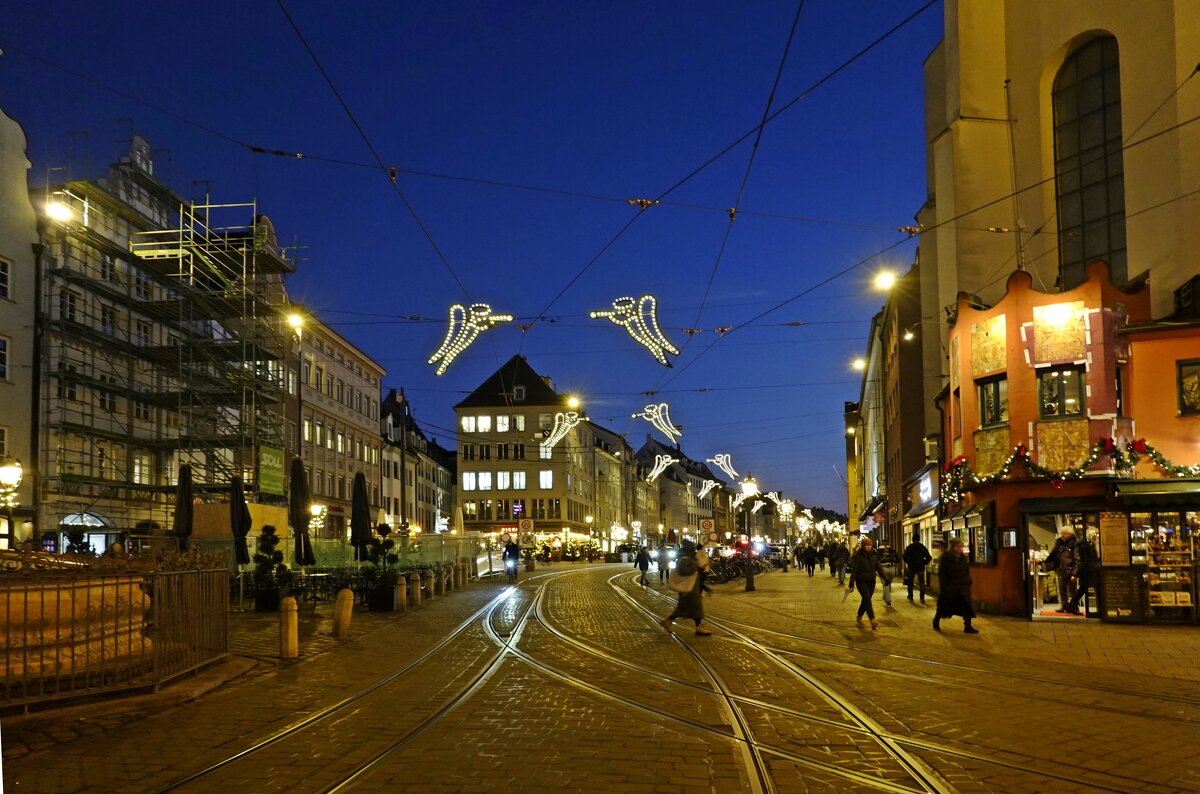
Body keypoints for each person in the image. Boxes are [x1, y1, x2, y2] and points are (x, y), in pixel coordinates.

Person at [659, 539, 712, 636]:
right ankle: (698, 627)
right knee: (694, 608)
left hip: (691, 588)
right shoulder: (685, 558)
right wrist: (697, 568)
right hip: (689, 590)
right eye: (693, 548)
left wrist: (700, 572)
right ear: (689, 549)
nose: (694, 550)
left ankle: (668, 621)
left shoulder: (688, 558)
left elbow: (693, 573)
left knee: (685, 609)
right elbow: (684, 571)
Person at [933, 538, 978, 633]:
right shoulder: (946, 557)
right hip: (951, 586)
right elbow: (942, 573)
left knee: (966, 606)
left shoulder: (962, 557)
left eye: (962, 545)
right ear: (953, 546)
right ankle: (936, 620)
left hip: (962, 585)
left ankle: (968, 626)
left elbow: (965, 570)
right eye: (959, 546)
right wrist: (944, 586)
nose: (961, 548)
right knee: (944, 606)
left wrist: (968, 581)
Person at [846, 536, 888, 629]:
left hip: (871, 581)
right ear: (863, 546)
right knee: (867, 599)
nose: (868, 547)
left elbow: (879, 568)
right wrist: (851, 583)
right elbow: (854, 571)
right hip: (861, 582)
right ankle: (872, 619)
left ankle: (859, 616)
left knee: (865, 600)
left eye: (870, 545)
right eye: (866, 545)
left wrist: (886, 578)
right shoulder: (858, 556)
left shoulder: (874, 555)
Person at [1046, 527, 1080, 614]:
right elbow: (1054, 554)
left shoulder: (1075, 544)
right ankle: (1064, 605)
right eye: (1062, 533)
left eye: (1064, 533)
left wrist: (1075, 573)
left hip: (1070, 570)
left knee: (1073, 590)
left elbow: (1077, 559)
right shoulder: (1059, 543)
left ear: (1070, 534)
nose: (1062, 535)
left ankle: (1074, 607)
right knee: (1062, 589)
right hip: (1060, 569)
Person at [1068, 528, 1100, 615]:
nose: (1096, 536)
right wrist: (1075, 573)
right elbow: (1080, 559)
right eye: (1095, 534)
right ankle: (1099, 610)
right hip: (1090, 569)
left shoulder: (1085, 544)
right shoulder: (1087, 544)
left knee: (1083, 589)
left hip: (1087, 569)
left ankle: (1072, 605)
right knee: (1092, 589)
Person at [903, 531, 932, 603]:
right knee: (922, 582)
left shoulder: (909, 547)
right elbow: (928, 557)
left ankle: (910, 597)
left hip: (911, 567)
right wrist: (924, 563)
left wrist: (908, 562)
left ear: (912, 539)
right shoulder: (922, 547)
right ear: (919, 539)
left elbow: (904, 557)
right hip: (920, 567)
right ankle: (922, 598)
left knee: (910, 582)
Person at [877, 541, 900, 607]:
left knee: (885, 585)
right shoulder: (892, 550)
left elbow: (875, 560)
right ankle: (886, 596)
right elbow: (898, 559)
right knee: (888, 583)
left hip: (882, 569)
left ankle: (888, 601)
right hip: (892, 568)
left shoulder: (878, 551)